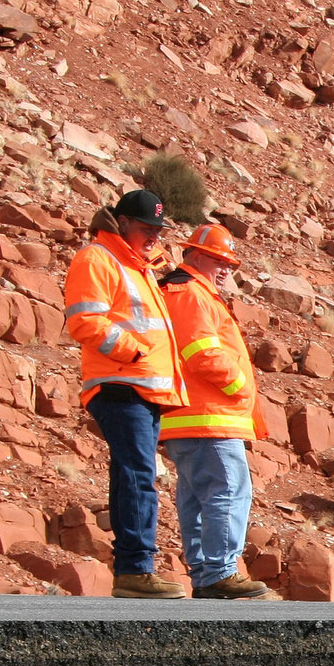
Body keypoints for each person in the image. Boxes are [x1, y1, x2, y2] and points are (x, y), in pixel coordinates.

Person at [62, 189, 189, 599]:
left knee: (132, 473)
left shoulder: (138, 266)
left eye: (158, 229)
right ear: (124, 223)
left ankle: (132, 569)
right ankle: (136, 568)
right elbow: (85, 322)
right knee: (138, 475)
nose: (154, 236)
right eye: (147, 228)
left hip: (142, 387)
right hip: (120, 383)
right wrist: (132, 351)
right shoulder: (97, 258)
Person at [158, 224, 278, 600]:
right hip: (208, 416)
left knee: (198, 498)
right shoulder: (192, 294)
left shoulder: (185, 291)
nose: (226, 269)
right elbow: (202, 352)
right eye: (218, 260)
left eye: (230, 263)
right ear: (194, 255)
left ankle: (208, 574)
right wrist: (238, 386)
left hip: (190, 417)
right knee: (227, 490)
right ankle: (220, 571)